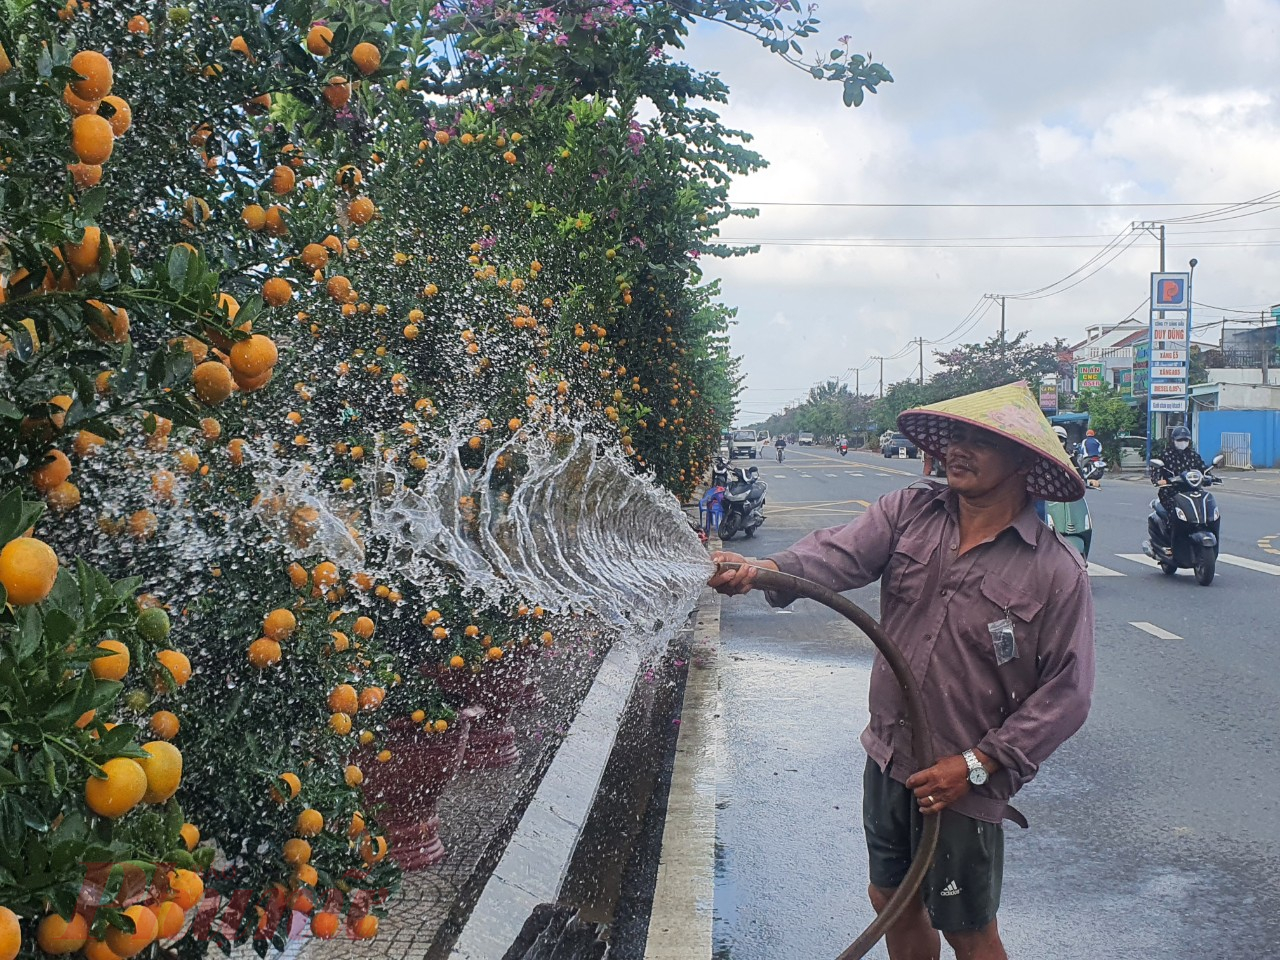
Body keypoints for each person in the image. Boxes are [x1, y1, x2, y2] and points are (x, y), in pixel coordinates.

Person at [708, 381, 1094, 960]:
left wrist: (977, 765)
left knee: (967, 926)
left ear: (1022, 461)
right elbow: (836, 555)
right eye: (954, 437)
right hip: (890, 753)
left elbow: (1068, 694)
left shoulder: (1055, 570)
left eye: (979, 440)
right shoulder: (910, 512)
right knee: (891, 898)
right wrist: (764, 568)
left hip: (962, 778)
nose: (956, 450)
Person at [1152, 425, 1205, 529]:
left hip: (1192, 490)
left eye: (1185, 439)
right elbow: (1156, 471)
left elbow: (1202, 468)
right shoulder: (1166, 454)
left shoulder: (1193, 455)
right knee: (1175, 512)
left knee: (1205, 505)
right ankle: (1173, 539)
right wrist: (1159, 480)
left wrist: (1209, 476)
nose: (1183, 442)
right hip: (1171, 491)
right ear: (1173, 440)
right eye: (1180, 439)